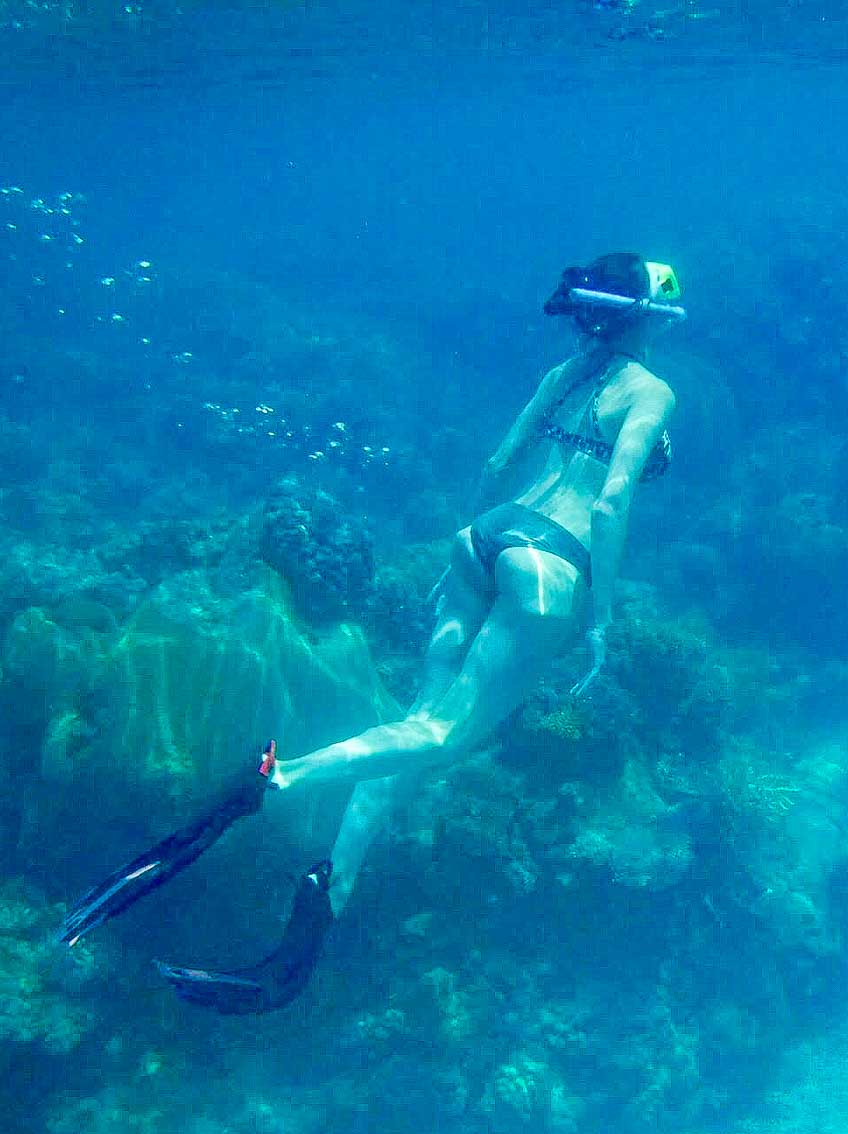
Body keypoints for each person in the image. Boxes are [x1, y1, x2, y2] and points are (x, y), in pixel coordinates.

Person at [58, 252, 683, 1013]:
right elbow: (610, 502)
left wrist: (471, 555)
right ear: (652, 318)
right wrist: (602, 615)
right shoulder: (652, 391)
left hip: (486, 537)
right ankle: (279, 779)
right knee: (443, 735)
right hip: (551, 569)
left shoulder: (564, 376)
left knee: (411, 733)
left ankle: (327, 896)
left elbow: (498, 463)